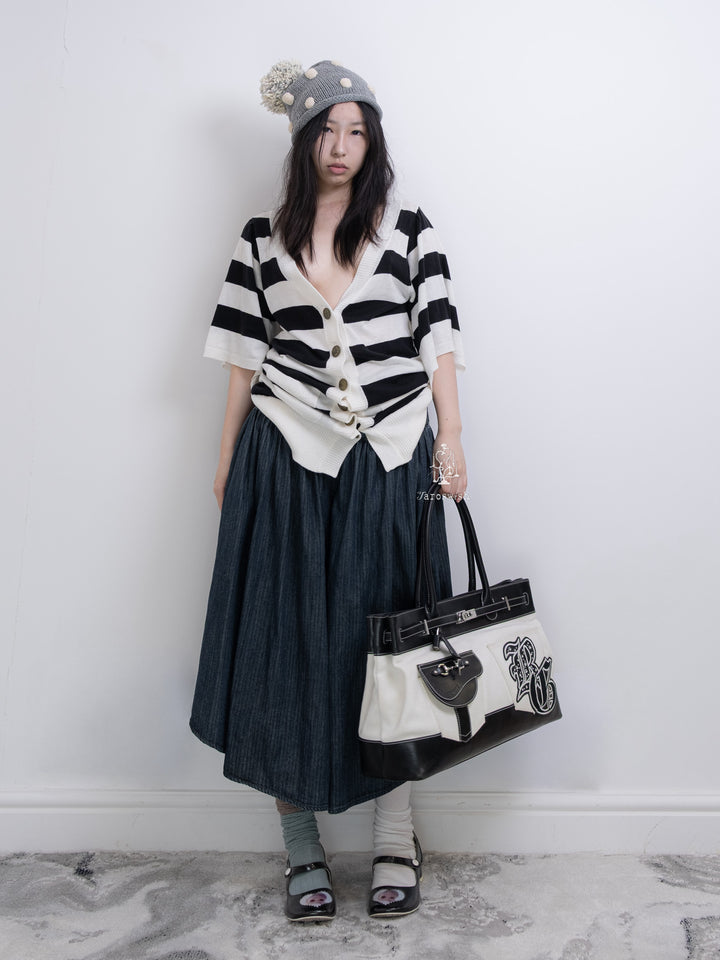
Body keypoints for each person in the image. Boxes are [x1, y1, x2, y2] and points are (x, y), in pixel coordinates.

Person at [189, 59, 467, 922]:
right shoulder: (259, 239)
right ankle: (300, 843)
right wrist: (226, 461)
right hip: (287, 452)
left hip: (392, 454)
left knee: (396, 645)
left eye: (357, 132)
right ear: (303, 139)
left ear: (371, 143)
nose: (342, 147)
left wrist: (452, 438)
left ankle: (395, 835)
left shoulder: (410, 231)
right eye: (327, 132)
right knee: (285, 641)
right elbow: (243, 358)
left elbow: (439, 338)